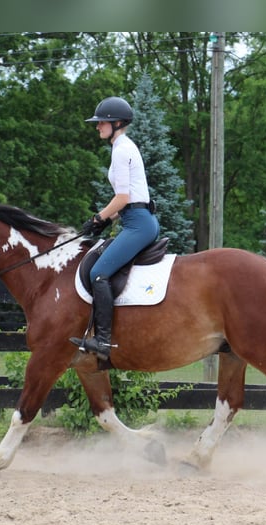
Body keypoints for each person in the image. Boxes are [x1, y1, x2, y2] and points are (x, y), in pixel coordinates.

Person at [70, 96, 160, 360]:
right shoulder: (124, 147)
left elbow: (123, 198)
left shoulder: (121, 150)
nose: (97, 127)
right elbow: (130, 199)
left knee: (98, 273)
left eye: (102, 122)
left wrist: (99, 218)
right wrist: (107, 221)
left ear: (117, 123)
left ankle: (103, 341)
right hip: (135, 220)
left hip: (138, 224)